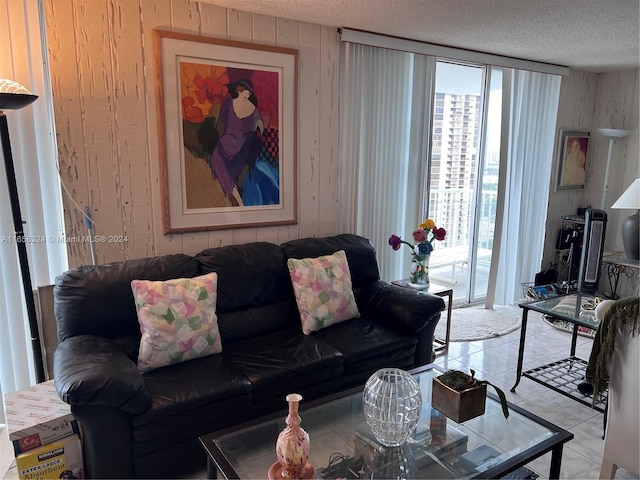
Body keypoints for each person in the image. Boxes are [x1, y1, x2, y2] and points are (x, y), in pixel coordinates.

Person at [209, 79, 264, 206]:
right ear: (239, 90)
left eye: (249, 93)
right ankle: (235, 196)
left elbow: (258, 121)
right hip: (226, 143)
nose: (248, 95)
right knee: (216, 159)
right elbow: (220, 125)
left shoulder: (252, 108)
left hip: (241, 145)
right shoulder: (229, 104)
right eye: (246, 92)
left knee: (218, 160)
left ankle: (236, 196)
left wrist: (259, 125)